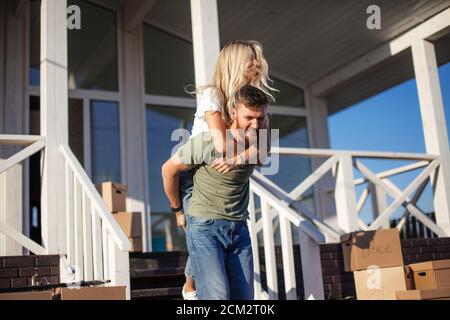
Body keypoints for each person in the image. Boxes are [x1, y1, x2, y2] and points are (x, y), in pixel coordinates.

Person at [177, 40, 275, 299]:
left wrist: (244, 150)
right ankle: (190, 287)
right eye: (250, 58)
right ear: (234, 62)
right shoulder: (213, 94)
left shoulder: (250, 100)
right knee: (199, 229)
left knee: (208, 234)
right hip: (196, 170)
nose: (255, 63)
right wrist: (248, 145)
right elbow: (221, 145)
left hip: (224, 170)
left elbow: (264, 149)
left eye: (256, 58)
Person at [162, 85, 270, 300]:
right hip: (206, 228)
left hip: (239, 228)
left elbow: (263, 153)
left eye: (260, 118)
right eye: (249, 117)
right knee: (217, 297)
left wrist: (234, 159)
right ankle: (190, 287)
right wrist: (177, 210)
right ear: (233, 113)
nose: (255, 124)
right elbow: (168, 170)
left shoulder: (260, 139)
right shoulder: (208, 141)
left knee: (244, 299)